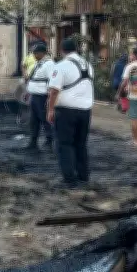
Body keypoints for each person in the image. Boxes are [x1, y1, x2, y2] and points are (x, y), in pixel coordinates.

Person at [47, 38, 94, 188]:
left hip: (66, 112)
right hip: (85, 111)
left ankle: (69, 178)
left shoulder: (61, 66)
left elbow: (54, 91)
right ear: (76, 50)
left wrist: (50, 109)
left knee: (65, 144)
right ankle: (83, 176)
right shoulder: (88, 65)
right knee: (81, 144)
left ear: (62, 51)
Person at [25, 42, 55, 151]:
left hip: (42, 97)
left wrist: (49, 97)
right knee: (34, 120)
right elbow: (33, 79)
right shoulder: (39, 63)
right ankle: (33, 141)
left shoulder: (49, 64)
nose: (34, 55)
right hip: (34, 95)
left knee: (45, 119)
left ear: (42, 53)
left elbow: (52, 81)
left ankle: (50, 140)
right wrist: (29, 92)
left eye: (35, 53)